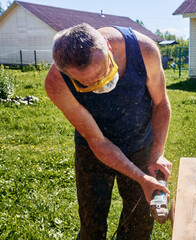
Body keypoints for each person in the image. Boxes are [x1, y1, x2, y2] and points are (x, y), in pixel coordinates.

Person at [45, 23, 172, 240]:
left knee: (139, 225)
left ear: (108, 47)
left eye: (104, 72)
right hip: (93, 151)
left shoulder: (144, 51)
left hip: (140, 142)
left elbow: (160, 104)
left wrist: (157, 153)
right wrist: (141, 178)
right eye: (89, 85)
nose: (101, 85)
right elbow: (97, 141)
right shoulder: (57, 82)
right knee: (91, 226)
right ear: (67, 74)